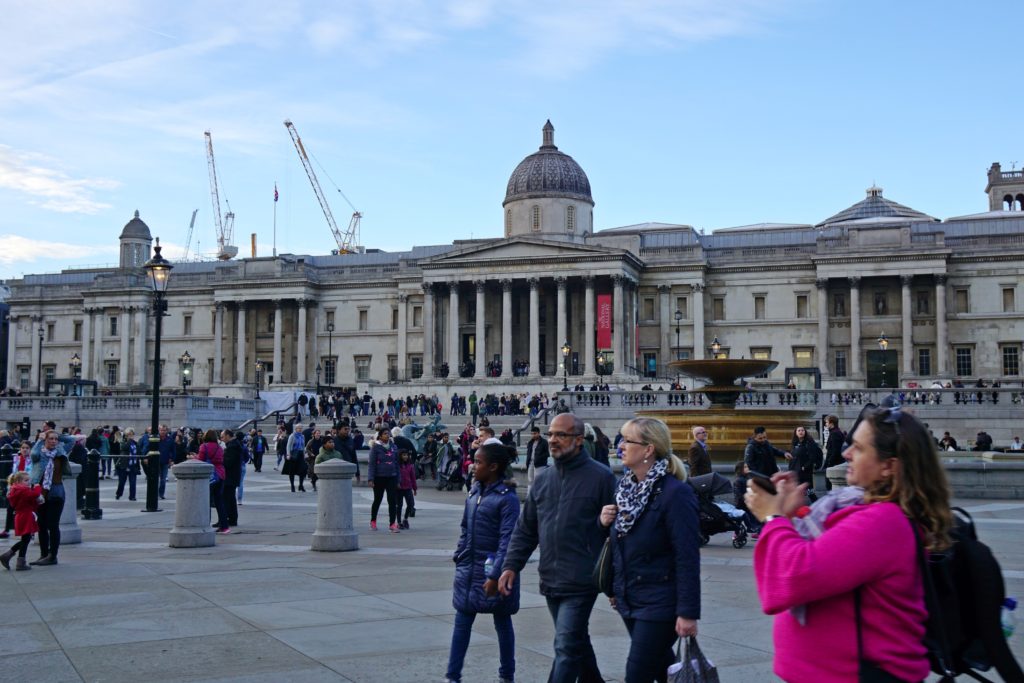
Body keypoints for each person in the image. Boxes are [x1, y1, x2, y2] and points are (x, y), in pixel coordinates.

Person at [745, 406, 952, 682]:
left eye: (858, 447)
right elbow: (834, 551)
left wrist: (773, 517)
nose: (846, 454)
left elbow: (793, 577)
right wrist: (797, 512)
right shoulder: (867, 510)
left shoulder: (883, 522)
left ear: (888, 466)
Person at [498, 413, 615, 683]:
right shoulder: (544, 479)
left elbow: (616, 535)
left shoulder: (601, 478)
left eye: (560, 435)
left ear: (577, 440)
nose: (553, 440)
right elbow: (526, 529)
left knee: (565, 647)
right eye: (551, 434)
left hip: (583, 578)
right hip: (551, 576)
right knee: (575, 642)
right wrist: (510, 565)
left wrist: (614, 584)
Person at [599, 417, 700, 683]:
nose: (620, 446)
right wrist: (603, 523)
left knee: (637, 673)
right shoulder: (625, 489)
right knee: (663, 668)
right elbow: (622, 543)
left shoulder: (675, 493)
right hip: (630, 598)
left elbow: (687, 555)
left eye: (627, 440)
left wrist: (688, 612)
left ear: (648, 449)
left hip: (660, 600)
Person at [445, 442, 520, 683]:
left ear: (494, 467)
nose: (472, 466)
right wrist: (460, 554)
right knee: (462, 622)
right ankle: (452, 676)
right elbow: (465, 528)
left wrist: (495, 575)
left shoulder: (507, 499)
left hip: (493, 569)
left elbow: (507, 540)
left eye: (478, 462)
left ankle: (506, 675)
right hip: (469, 568)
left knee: (502, 621)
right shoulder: (474, 491)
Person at [28, 430, 72, 565]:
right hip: (41, 492)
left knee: (53, 525)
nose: (53, 441)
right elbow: (33, 454)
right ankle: (43, 554)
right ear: (45, 440)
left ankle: (53, 556)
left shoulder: (60, 452)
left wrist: (55, 432)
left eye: (55, 439)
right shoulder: (39, 453)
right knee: (41, 524)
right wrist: (40, 439)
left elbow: (71, 440)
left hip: (56, 492)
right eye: (50, 439)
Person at [0, 471, 42, 571]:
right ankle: (18, 561)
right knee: (25, 539)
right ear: (18, 481)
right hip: (25, 515)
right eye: (26, 480)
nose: (28, 482)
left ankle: (12, 557)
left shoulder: (16, 490)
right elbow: (35, 494)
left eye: (29, 480)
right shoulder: (22, 490)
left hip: (22, 515)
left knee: (25, 539)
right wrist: (37, 486)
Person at [193, 429, 228, 533]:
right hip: (220, 474)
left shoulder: (204, 446)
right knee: (219, 501)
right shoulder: (220, 447)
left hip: (209, 475)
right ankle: (224, 526)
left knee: (206, 501)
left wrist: (193, 457)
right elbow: (221, 460)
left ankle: (205, 524)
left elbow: (201, 459)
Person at [368, 428, 400, 532]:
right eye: (385, 434)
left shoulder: (394, 447)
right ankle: (373, 521)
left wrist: (398, 479)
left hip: (392, 477)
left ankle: (392, 524)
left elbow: (396, 464)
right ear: (380, 436)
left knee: (392, 501)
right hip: (379, 477)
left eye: (388, 434)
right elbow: (372, 464)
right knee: (377, 500)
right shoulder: (376, 448)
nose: (387, 435)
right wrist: (371, 479)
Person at [0, 441, 32, 539]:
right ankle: (7, 529)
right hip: (16, 488)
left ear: (30, 450)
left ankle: (30, 531)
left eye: (27, 448)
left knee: (29, 511)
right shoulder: (16, 459)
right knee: (10, 508)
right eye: (23, 448)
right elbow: (14, 473)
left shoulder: (32, 460)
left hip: (27, 488)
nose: (24, 449)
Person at [222, 430, 242, 527]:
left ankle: (228, 519)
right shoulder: (233, 445)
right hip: (232, 476)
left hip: (230, 476)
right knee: (230, 499)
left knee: (227, 498)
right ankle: (232, 519)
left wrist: (221, 458)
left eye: (222, 436)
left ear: (227, 436)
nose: (222, 439)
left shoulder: (232, 446)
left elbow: (228, 462)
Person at [115, 428, 141, 501]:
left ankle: (132, 496)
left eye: (132, 434)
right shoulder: (123, 442)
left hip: (133, 465)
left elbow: (139, 452)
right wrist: (129, 440)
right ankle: (119, 494)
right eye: (129, 434)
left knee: (133, 482)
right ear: (126, 435)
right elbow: (124, 448)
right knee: (121, 482)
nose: (131, 436)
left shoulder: (135, 443)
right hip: (124, 465)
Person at [283, 424, 308, 492]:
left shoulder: (302, 436)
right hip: (293, 454)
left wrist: (305, 453)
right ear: (296, 429)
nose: (300, 429)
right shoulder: (292, 436)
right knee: (292, 471)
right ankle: (292, 486)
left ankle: (301, 485)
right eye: (298, 428)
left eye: (301, 428)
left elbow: (303, 446)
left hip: (300, 454)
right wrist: (288, 454)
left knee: (303, 471)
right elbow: (288, 446)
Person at [396, 450, 417, 530]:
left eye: (407, 455)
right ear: (400, 456)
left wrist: (415, 488)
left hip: (408, 487)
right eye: (404, 455)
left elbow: (413, 478)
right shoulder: (397, 465)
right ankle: (399, 522)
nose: (405, 457)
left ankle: (405, 519)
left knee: (411, 504)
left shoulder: (410, 465)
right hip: (399, 488)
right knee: (399, 506)